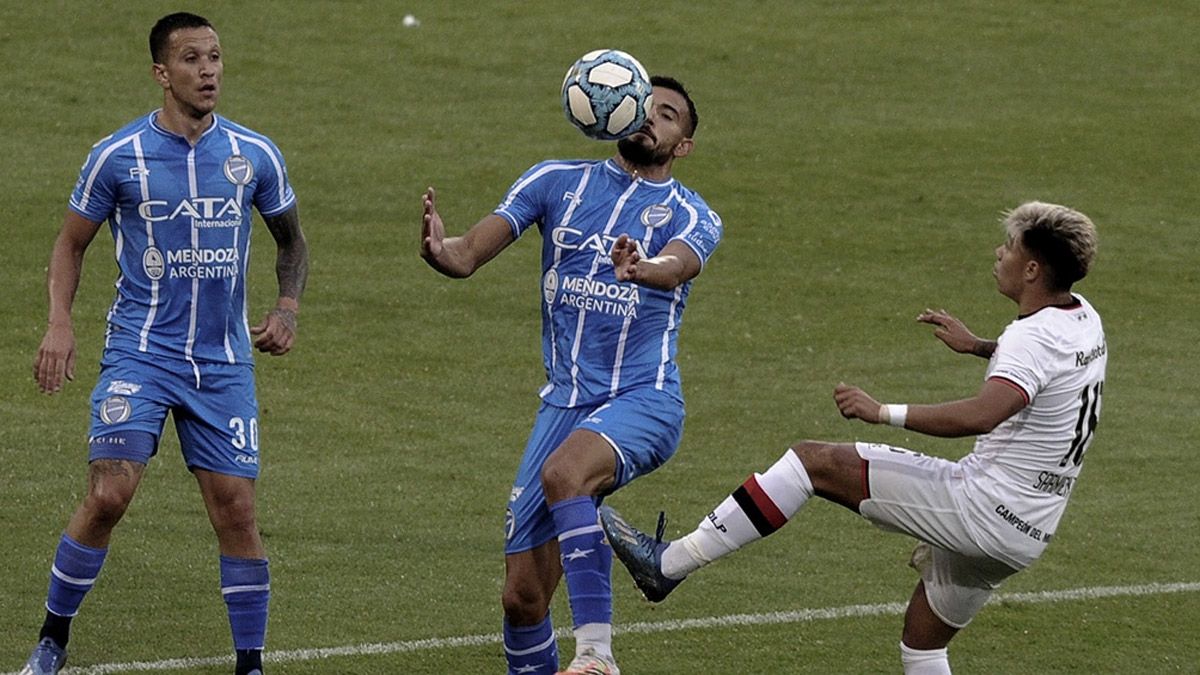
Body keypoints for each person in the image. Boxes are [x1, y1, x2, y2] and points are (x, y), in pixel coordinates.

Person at [600, 202, 1104, 674]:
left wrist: (881, 412)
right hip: (1027, 533)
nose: (1000, 253)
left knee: (811, 463)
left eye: (1011, 247)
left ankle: (667, 565)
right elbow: (1046, 371)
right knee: (922, 645)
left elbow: (983, 414)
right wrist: (979, 347)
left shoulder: (1030, 340)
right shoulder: (1083, 319)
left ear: (1033, 269)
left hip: (982, 507)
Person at [21, 12, 308, 675]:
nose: (208, 71)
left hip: (223, 360)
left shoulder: (254, 155)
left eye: (215, 57)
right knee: (108, 495)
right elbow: (70, 242)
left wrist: (287, 305)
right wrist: (59, 321)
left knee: (235, 509)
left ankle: (250, 663)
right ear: (161, 72)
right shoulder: (117, 156)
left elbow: (291, 240)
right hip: (140, 355)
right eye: (191, 59)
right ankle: (52, 639)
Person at [421, 76, 722, 675]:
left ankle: (596, 656)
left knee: (566, 473)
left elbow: (676, 266)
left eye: (668, 116)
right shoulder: (554, 181)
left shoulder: (695, 214)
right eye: (643, 105)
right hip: (562, 405)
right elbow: (469, 253)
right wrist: (441, 249)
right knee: (522, 598)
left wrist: (643, 266)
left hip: (645, 399)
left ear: (682, 145)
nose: (650, 119)